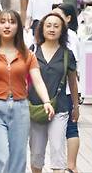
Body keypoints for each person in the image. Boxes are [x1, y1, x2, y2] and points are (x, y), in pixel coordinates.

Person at [0, 9, 55, 173]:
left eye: (12, 22)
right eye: (3, 22)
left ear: (18, 26)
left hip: (21, 108)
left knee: (18, 157)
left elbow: (37, 80)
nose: (7, 26)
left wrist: (46, 101)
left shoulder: (28, 54)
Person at [29, 13, 80, 173]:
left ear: (62, 30)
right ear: (41, 28)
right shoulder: (32, 51)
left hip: (60, 108)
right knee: (36, 154)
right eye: (48, 25)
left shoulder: (67, 54)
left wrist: (76, 106)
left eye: (56, 26)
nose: (52, 29)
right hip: (35, 108)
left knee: (58, 151)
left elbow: (72, 82)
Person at [51, 3, 81, 173]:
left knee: (71, 127)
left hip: (68, 90)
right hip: (59, 90)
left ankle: (71, 165)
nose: (53, 18)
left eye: (58, 15)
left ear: (68, 18)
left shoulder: (70, 36)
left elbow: (72, 68)